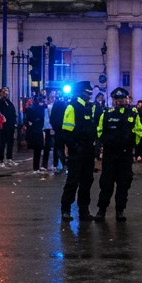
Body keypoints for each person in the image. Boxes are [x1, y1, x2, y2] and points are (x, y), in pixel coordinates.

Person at [94, 87, 142, 222]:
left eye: (122, 98)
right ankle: (101, 210)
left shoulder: (132, 114)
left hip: (125, 155)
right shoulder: (107, 114)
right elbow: (99, 131)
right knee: (106, 183)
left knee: (124, 183)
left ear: (126, 99)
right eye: (117, 99)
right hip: (110, 154)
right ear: (113, 100)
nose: (120, 101)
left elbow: (139, 131)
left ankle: (120, 210)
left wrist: (132, 146)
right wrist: (103, 146)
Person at [59, 81, 98, 220]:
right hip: (78, 150)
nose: (90, 95)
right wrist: (74, 147)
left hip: (88, 149)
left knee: (87, 181)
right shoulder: (73, 107)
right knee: (73, 181)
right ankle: (66, 209)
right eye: (88, 92)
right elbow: (66, 131)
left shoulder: (89, 107)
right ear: (81, 92)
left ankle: (84, 210)